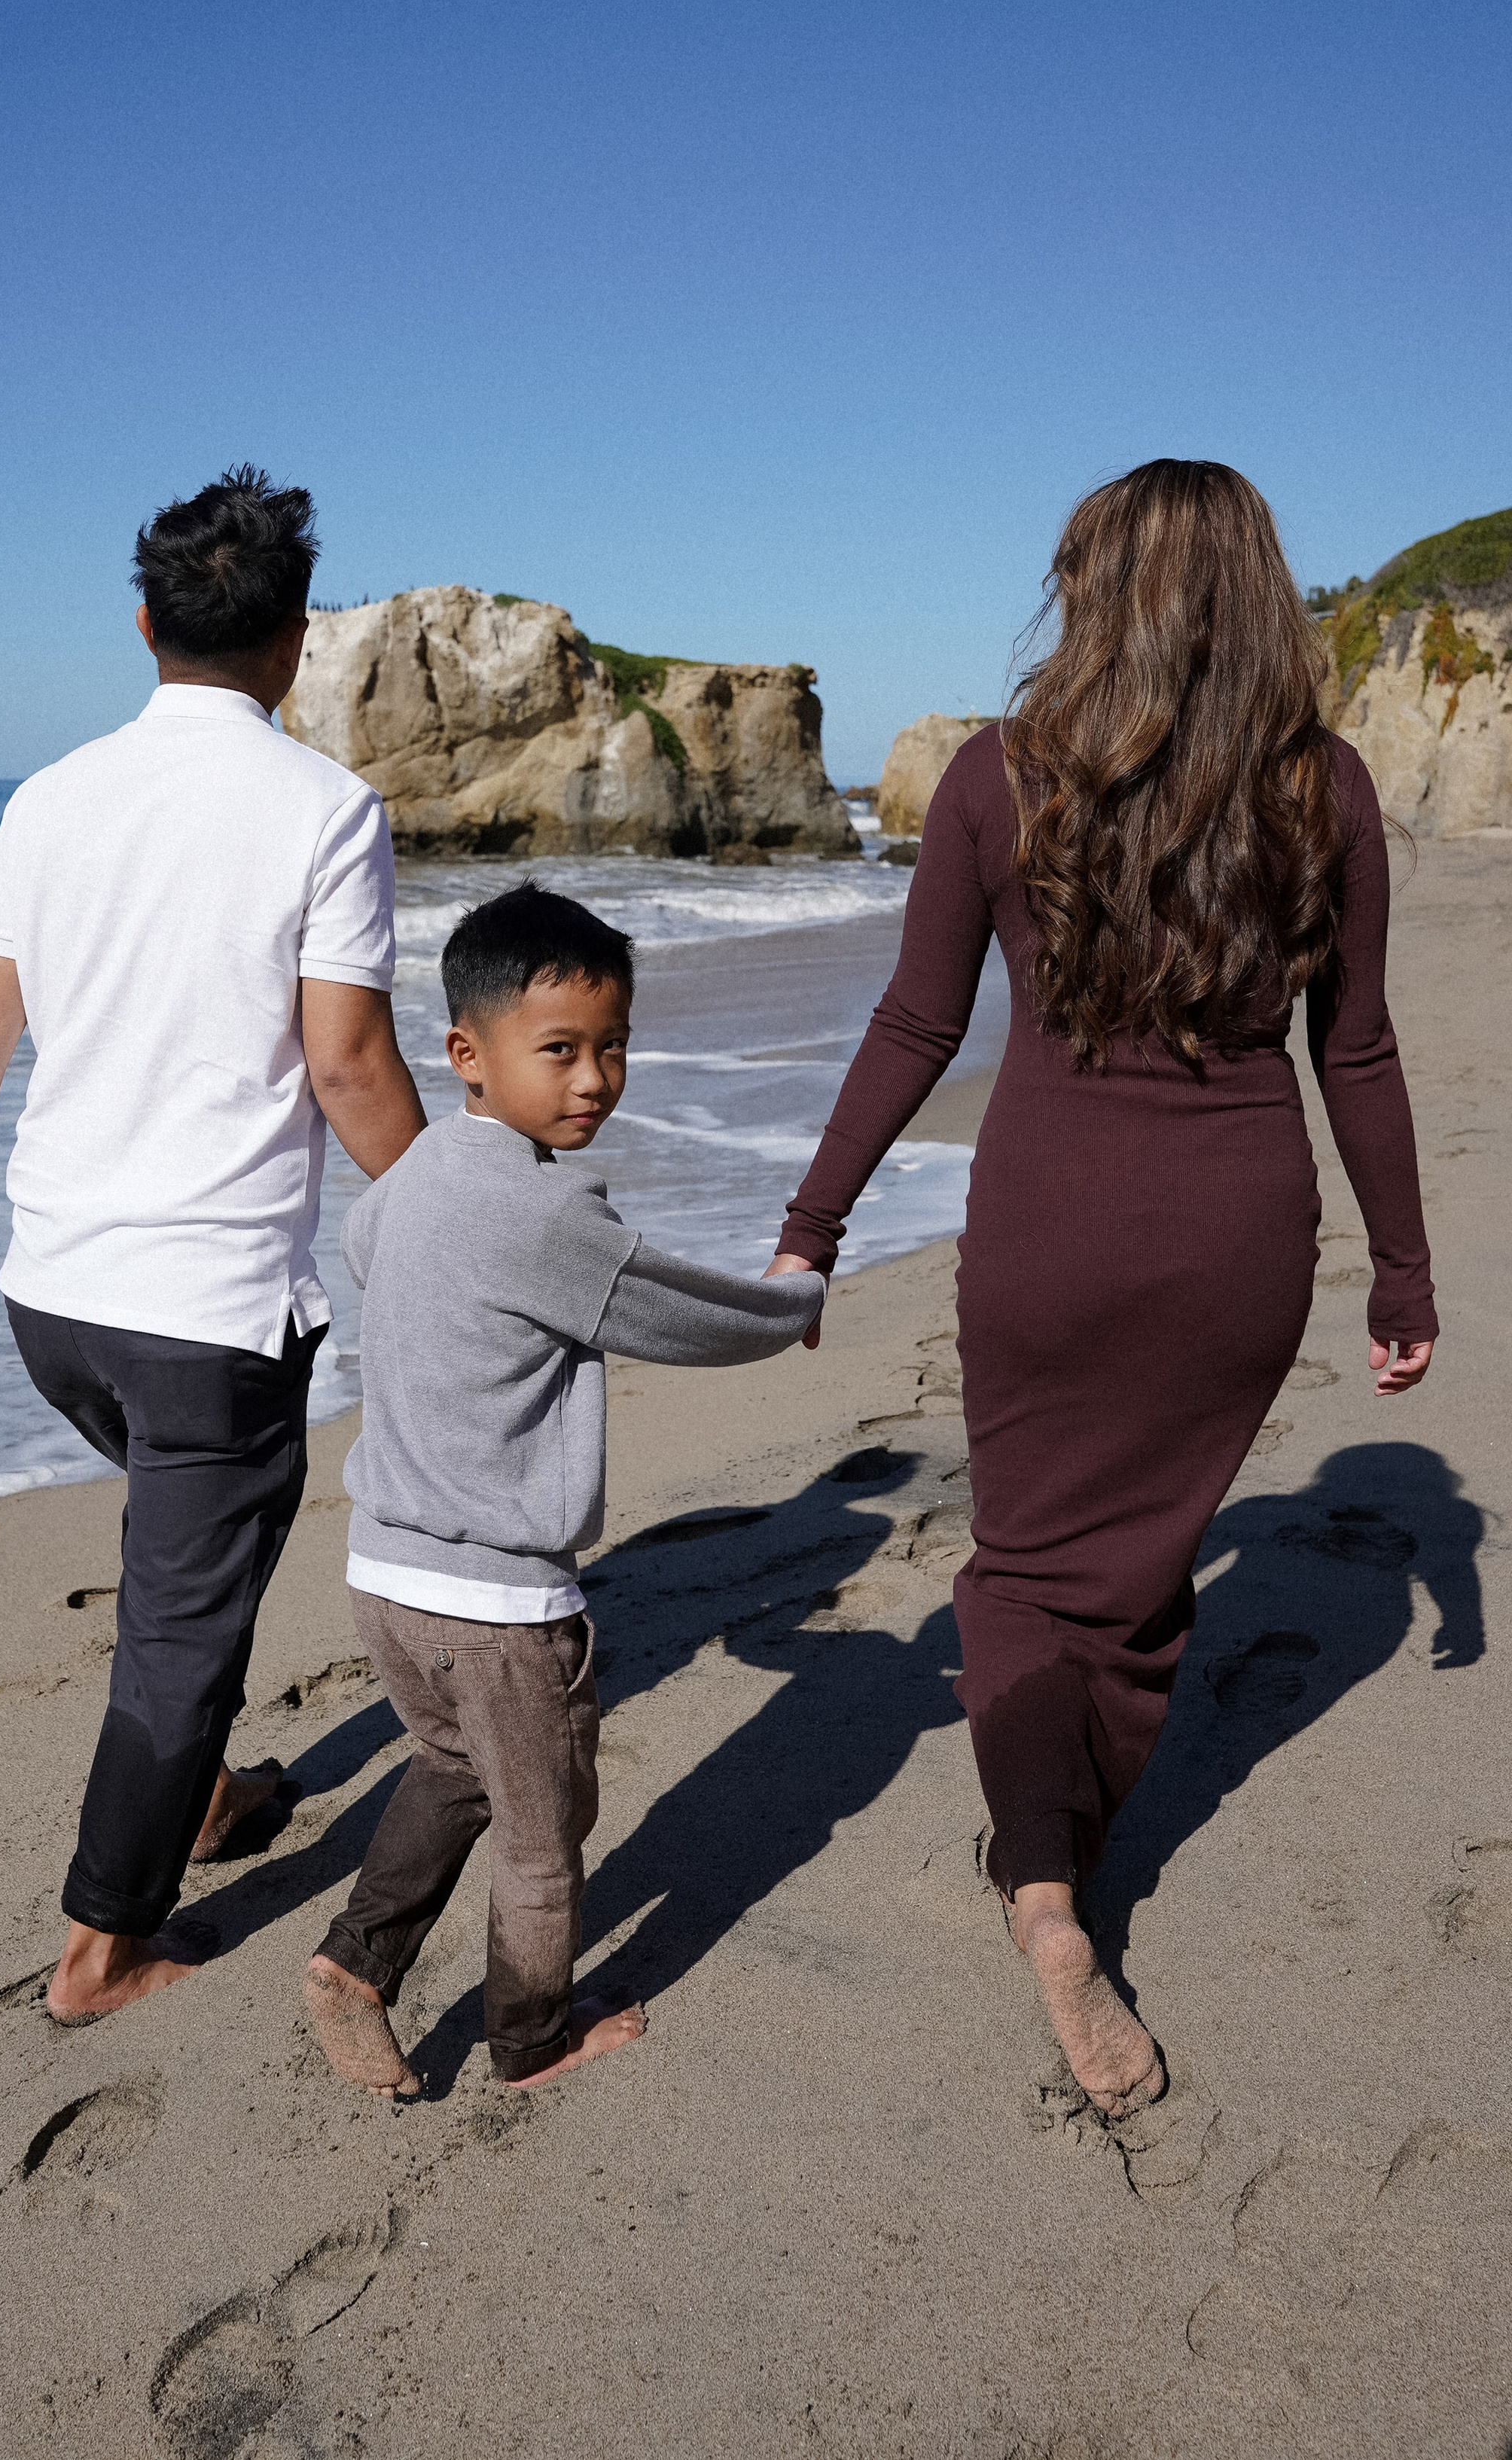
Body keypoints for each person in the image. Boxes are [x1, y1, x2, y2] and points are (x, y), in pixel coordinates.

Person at [769, 461, 1437, 2119]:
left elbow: (917, 1024)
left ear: (1093, 592)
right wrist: (1400, 1272)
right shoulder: (1325, 787)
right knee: (1136, 1575)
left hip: (1047, 1227)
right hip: (1236, 1237)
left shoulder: (1000, 776)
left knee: (1021, 1565)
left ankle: (1044, 1882)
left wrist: (814, 1225)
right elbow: (1354, 1051)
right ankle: (1064, 1843)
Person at [0, 468, 427, 2027]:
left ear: (142, 625)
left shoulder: (51, 797)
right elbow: (349, 1066)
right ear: (296, 637)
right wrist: (464, 1209)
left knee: (194, 1555)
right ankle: (101, 1948)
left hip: (54, 1300)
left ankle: (202, 1792)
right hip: (208, 1313)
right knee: (185, 1617)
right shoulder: (325, 809)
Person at [301, 882, 825, 2098]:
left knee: (451, 1767)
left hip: (383, 1571)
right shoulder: (546, 1213)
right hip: (497, 1602)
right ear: (467, 1055)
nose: (594, 1080)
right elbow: (683, 1315)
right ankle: (531, 2039)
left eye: (614, 1047)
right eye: (560, 1051)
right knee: (544, 1836)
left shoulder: (411, 1177)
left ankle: (354, 1964)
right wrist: (793, 1298)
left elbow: (370, 1253)